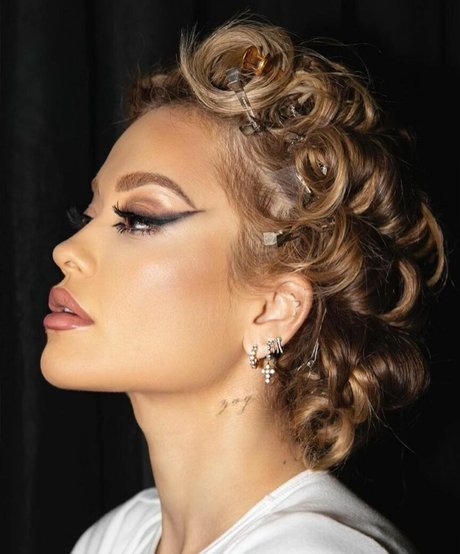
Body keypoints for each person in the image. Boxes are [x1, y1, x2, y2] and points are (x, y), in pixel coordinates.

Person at [40, 17, 446, 554]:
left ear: (274, 308)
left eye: (138, 219)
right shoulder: (116, 537)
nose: (66, 250)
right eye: (88, 215)